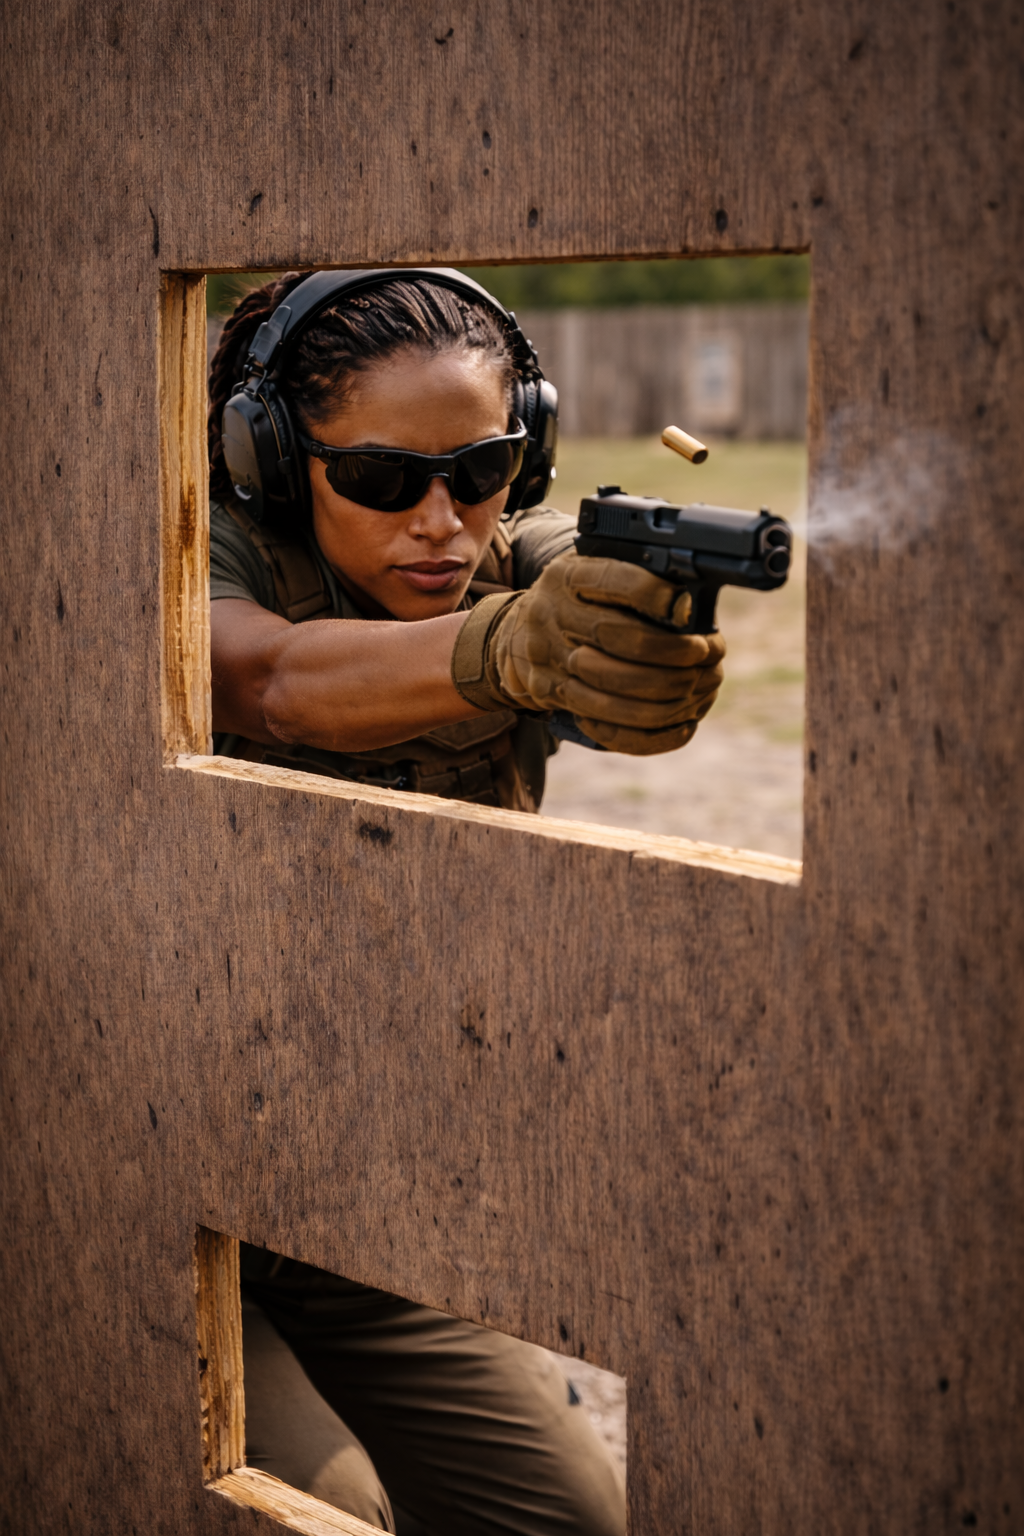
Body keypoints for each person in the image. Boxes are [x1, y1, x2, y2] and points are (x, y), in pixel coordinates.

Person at [207, 269, 726, 1535]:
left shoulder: (508, 548)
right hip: (157, 1188)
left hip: (356, 1198)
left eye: (482, 468)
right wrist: (503, 651)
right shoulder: (194, 544)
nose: (439, 521)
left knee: (566, 1520)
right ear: (274, 459)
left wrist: (625, 624)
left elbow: (562, 568)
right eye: (383, 480)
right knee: (320, 1512)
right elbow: (264, 679)